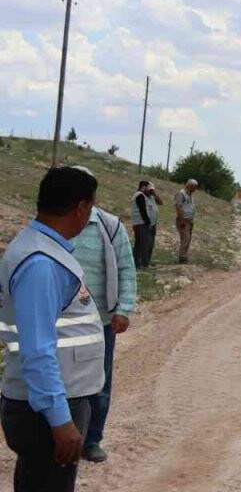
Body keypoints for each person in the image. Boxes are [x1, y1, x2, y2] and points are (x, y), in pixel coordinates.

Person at [0, 166, 106, 491]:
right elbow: (37, 350)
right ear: (81, 208)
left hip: (50, 401)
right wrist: (60, 420)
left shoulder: (42, 250)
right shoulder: (41, 264)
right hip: (46, 410)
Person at [69, 179, 136, 464]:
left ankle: (92, 439)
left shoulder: (109, 226)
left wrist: (124, 308)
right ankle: (64, 436)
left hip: (101, 321)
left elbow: (126, 269)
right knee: (63, 381)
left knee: (100, 381)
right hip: (63, 320)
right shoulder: (58, 224)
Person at [129, 181, 162, 268]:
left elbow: (160, 202)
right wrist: (148, 223)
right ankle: (141, 263)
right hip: (142, 223)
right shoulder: (139, 195)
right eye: (147, 187)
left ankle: (142, 262)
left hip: (149, 223)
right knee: (143, 244)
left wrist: (154, 193)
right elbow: (143, 211)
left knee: (146, 244)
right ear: (143, 187)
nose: (149, 189)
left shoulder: (149, 197)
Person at [174, 180, 198, 264]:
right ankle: (182, 258)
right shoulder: (181, 194)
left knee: (188, 239)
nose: (195, 189)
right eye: (194, 186)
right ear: (189, 186)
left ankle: (184, 256)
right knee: (185, 238)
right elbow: (178, 207)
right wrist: (182, 220)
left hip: (189, 220)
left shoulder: (190, 195)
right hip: (183, 220)